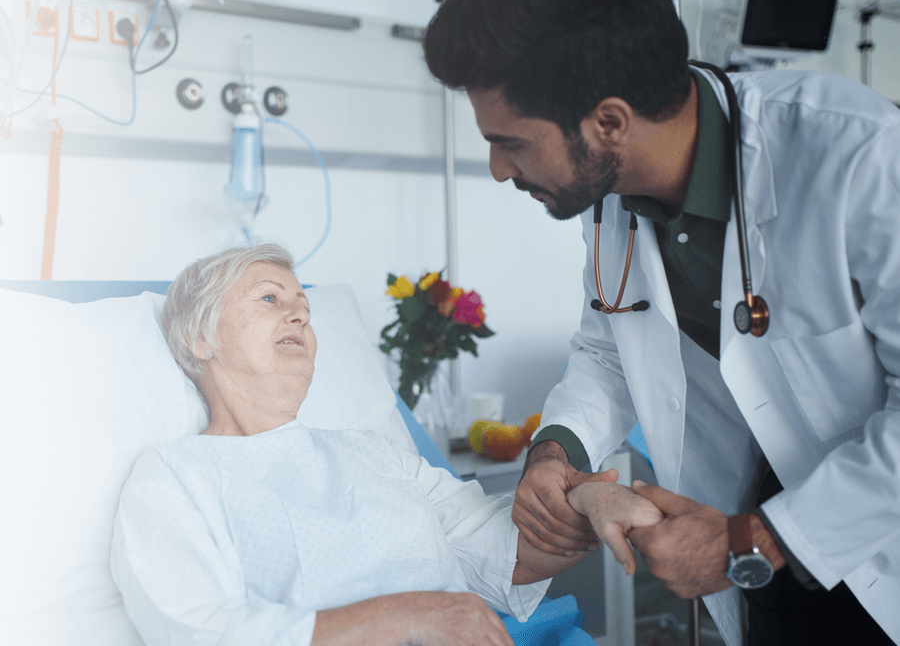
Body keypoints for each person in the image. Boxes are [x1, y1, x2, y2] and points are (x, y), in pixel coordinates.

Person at [423, 0, 900, 645]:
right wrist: (555, 451)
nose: (500, 170)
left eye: (511, 143)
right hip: (770, 560)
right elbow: (608, 346)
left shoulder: (859, 153)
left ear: (609, 122)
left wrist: (751, 540)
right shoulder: (613, 195)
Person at [110, 243, 662, 646]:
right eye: (270, 298)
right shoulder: (174, 477)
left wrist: (580, 503)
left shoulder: (373, 453)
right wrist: (407, 617)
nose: (299, 312)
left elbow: (501, 553)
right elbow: (200, 629)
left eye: (303, 302)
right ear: (199, 338)